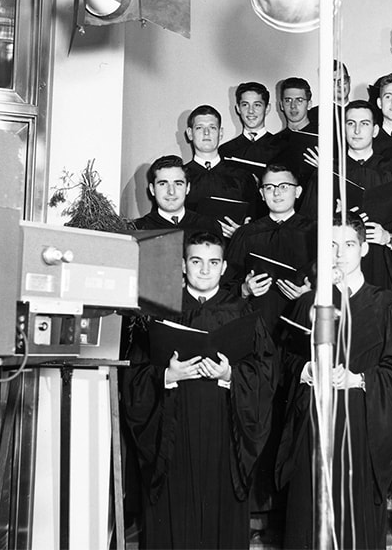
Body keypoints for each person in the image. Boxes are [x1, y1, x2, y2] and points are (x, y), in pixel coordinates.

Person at [122, 231, 276, 549]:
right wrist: (166, 374)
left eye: (213, 262)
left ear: (223, 268)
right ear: (183, 265)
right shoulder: (159, 311)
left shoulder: (243, 312)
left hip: (225, 432)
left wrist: (231, 374)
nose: (204, 270)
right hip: (173, 432)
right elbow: (134, 377)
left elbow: (266, 372)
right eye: (196, 261)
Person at [276, 213, 392, 549]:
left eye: (349, 244)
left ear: (364, 249)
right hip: (314, 424)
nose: (340, 253)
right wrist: (306, 370)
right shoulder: (310, 303)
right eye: (332, 245)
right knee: (309, 516)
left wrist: (359, 379)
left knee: (355, 519)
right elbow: (286, 360)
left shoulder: (387, 304)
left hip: (361, 426)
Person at [301, 100, 392, 297]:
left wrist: (389, 238)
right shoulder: (327, 171)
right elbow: (306, 226)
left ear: (375, 130)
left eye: (364, 124)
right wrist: (335, 220)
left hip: (381, 265)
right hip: (337, 264)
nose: (357, 130)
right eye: (350, 123)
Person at [225, 163, 316, 328]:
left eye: (284, 186)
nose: (276, 193)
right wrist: (244, 289)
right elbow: (227, 284)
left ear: (298, 191)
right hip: (257, 325)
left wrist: (308, 295)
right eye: (269, 187)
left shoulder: (315, 232)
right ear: (261, 193)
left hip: (302, 323)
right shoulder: (245, 234)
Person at [182, 105, 259, 237]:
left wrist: (242, 232)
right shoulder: (179, 177)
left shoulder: (242, 176)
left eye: (212, 128)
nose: (206, 133)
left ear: (221, 133)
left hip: (232, 250)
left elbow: (257, 218)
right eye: (199, 128)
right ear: (190, 133)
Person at [133, 155, 222, 240]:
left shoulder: (209, 226)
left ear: (187, 188)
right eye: (163, 184)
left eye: (178, 184)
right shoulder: (137, 228)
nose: (171, 191)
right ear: (152, 189)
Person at [220, 81, 282, 168]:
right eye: (245, 105)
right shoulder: (226, 150)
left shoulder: (281, 148)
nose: (251, 111)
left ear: (267, 108)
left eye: (257, 105)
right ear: (238, 108)